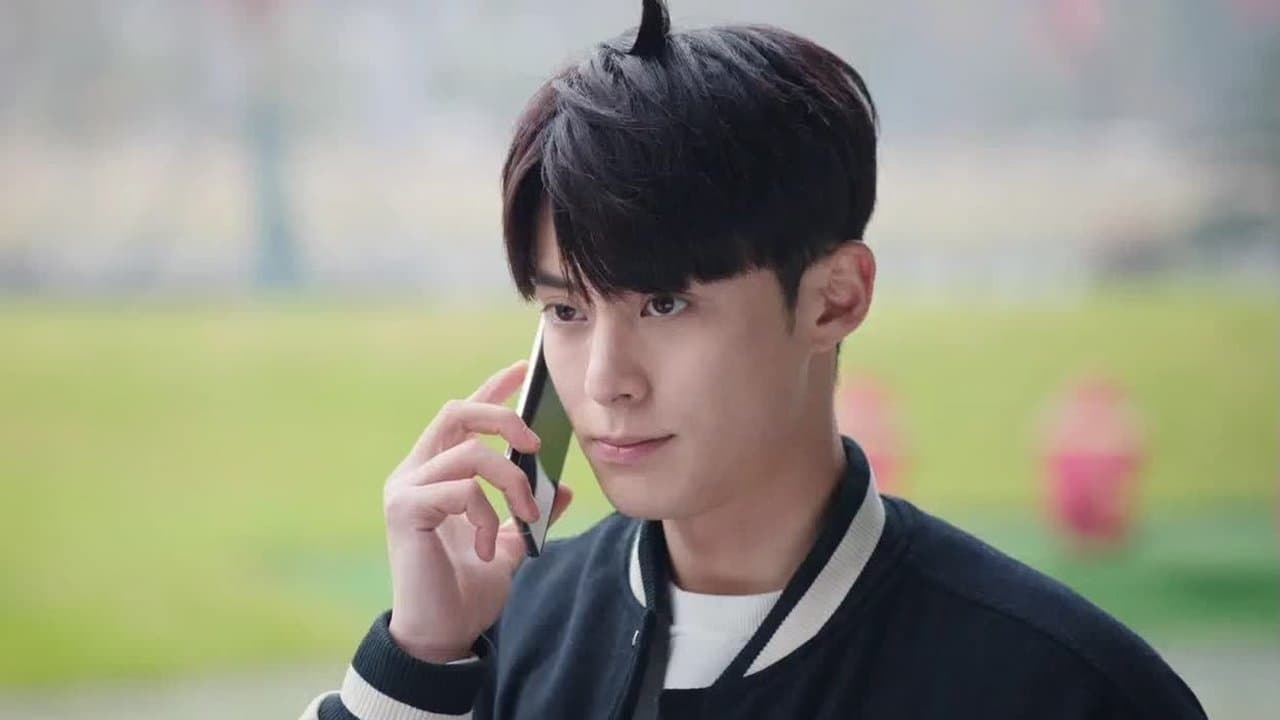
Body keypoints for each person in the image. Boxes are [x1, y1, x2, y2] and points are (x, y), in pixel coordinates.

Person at [301, 1, 1206, 718]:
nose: (606, 381)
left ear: (834, 299)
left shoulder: (1063, 689)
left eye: (664, 303)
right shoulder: (503, 638)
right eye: (567, 311)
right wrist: (417, 663)